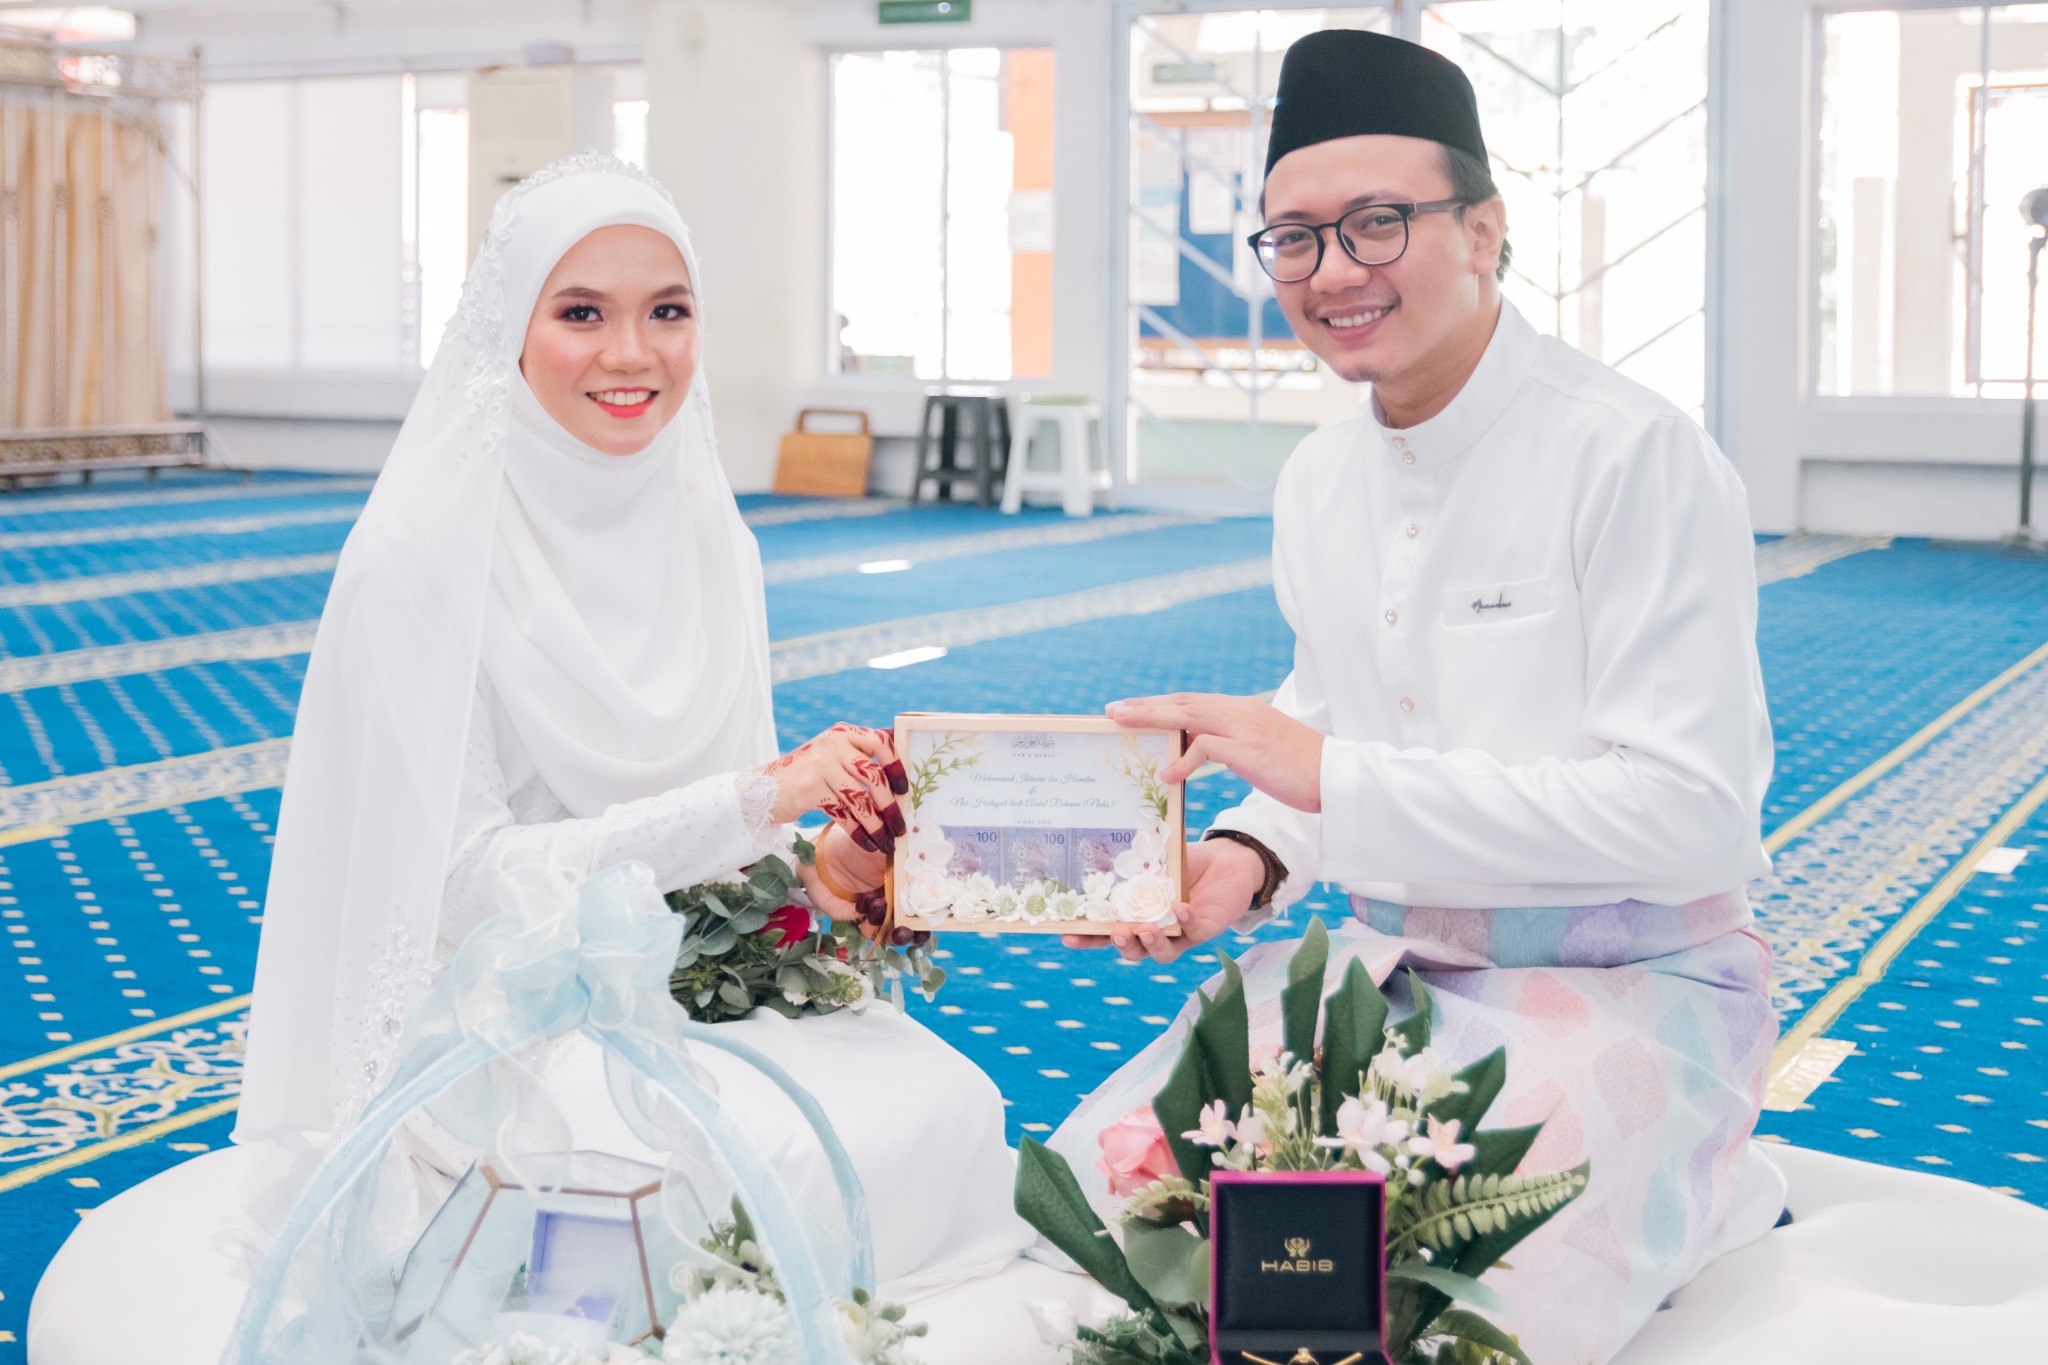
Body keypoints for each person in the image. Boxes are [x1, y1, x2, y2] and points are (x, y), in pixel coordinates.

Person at [1052, 30, 1781, 1364]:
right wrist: (1245, 857)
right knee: (1113, 1226)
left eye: (1376, 222)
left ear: (1484, 230)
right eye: (1294, 238)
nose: (1332, 271)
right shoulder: (1318, 480)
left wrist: (1322, 774)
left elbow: (1691, 812)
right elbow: (1335, 715)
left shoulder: (1634, 458)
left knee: (1422, 1303)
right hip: (1377, 976)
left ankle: (1706, 1173)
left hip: (1622, 985)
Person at [233, 153, 1030, 1296]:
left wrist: (831, 864)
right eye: (580, 313)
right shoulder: (418, 562)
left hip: (693, 971)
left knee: (944, 1105)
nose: (631, 354)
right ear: (509, 332)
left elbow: (736, 854)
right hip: (504, 998)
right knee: (729, 1170)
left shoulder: (712, 536)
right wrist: (756, 799)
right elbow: (456, 884)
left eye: (667, 311)